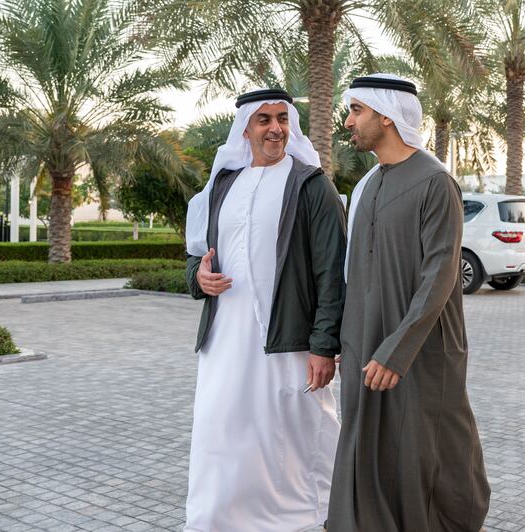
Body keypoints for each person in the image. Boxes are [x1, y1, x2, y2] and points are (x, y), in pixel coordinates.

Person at [327, 74, 491, 531]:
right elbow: (352, 274)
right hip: (365, 348)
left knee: (424, 452)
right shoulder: (367, 186)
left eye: (356, 110)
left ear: (386, 115)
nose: (348, 122)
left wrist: (397, 351)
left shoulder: (437, 183)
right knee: (367, 448)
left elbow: (439, 277)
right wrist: (349, 339)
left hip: (421, 353)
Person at [183, 88, 346, 531]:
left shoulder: (311, 185)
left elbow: (332, 273)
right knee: (222, 434)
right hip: (224, 343)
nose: (275, 128)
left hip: (288, 341)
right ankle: (218, 520)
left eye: (281, 119)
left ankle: (303, 519)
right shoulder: (221, 185)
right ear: (246, 129)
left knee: (289, 436)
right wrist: (199, 279)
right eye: (264, 120)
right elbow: (195, 256)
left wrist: (323, 344)